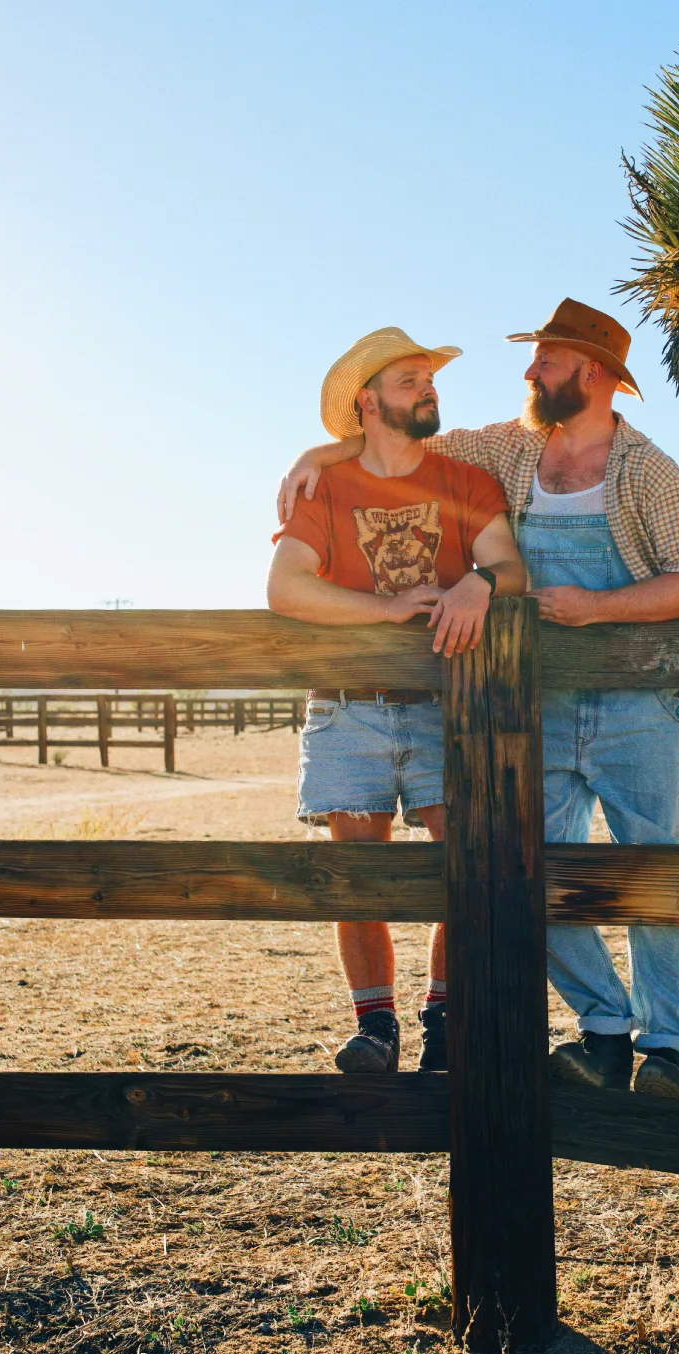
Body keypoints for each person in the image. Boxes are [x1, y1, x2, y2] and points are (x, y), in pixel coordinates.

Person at [278, 300, 679, 1099]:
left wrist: (593, 608)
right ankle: (603, 1030)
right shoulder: (511, 451)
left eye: (544, 360)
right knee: (526, 878)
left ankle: (665, 1051)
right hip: (537, 706)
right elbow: (400, 439)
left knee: (649, 877)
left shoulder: (646, 469)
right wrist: (323, 447)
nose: (527, 372)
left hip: (636, 706)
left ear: (590, 372)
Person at [268, 326, 526, 1075]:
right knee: (358, 876)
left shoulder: (467, 484)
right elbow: (286, 588)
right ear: (368, 401)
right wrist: (384, 611)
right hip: (346, 707)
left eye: (429, 379)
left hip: (444, 703)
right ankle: (375, 1027)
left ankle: (445, 1017)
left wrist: (479, 580)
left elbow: (511, 565)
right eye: (410, 380)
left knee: (462, 864)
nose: (429, 389)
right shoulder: (326, 486)